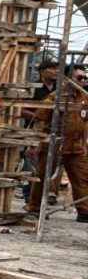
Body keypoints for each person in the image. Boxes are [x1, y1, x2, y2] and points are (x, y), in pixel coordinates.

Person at [25, 65, 88, 222]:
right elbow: (40, 121)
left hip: (76, 147)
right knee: (42, 177)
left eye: (85, 78)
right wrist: (34, 143)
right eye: (79, 78)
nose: (83, 81)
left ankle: (84, 211)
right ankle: (34, 207)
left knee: (82, 179)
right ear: (67, 79)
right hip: (53, 145)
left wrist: (85, 143)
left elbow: (85, 122)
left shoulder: (84, 97)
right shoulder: (54, 98)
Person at [21, 60, 60, 200]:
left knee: (50, 164)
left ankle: (48, 194)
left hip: (54, 132)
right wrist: (40, 117)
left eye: (57, 69)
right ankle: (29, 196)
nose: (56, 71)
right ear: (42, 72)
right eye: (52, 68)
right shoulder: (34, 88)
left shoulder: (59, 89)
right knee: (31, 165)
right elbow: (21, 110)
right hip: (33, 131)